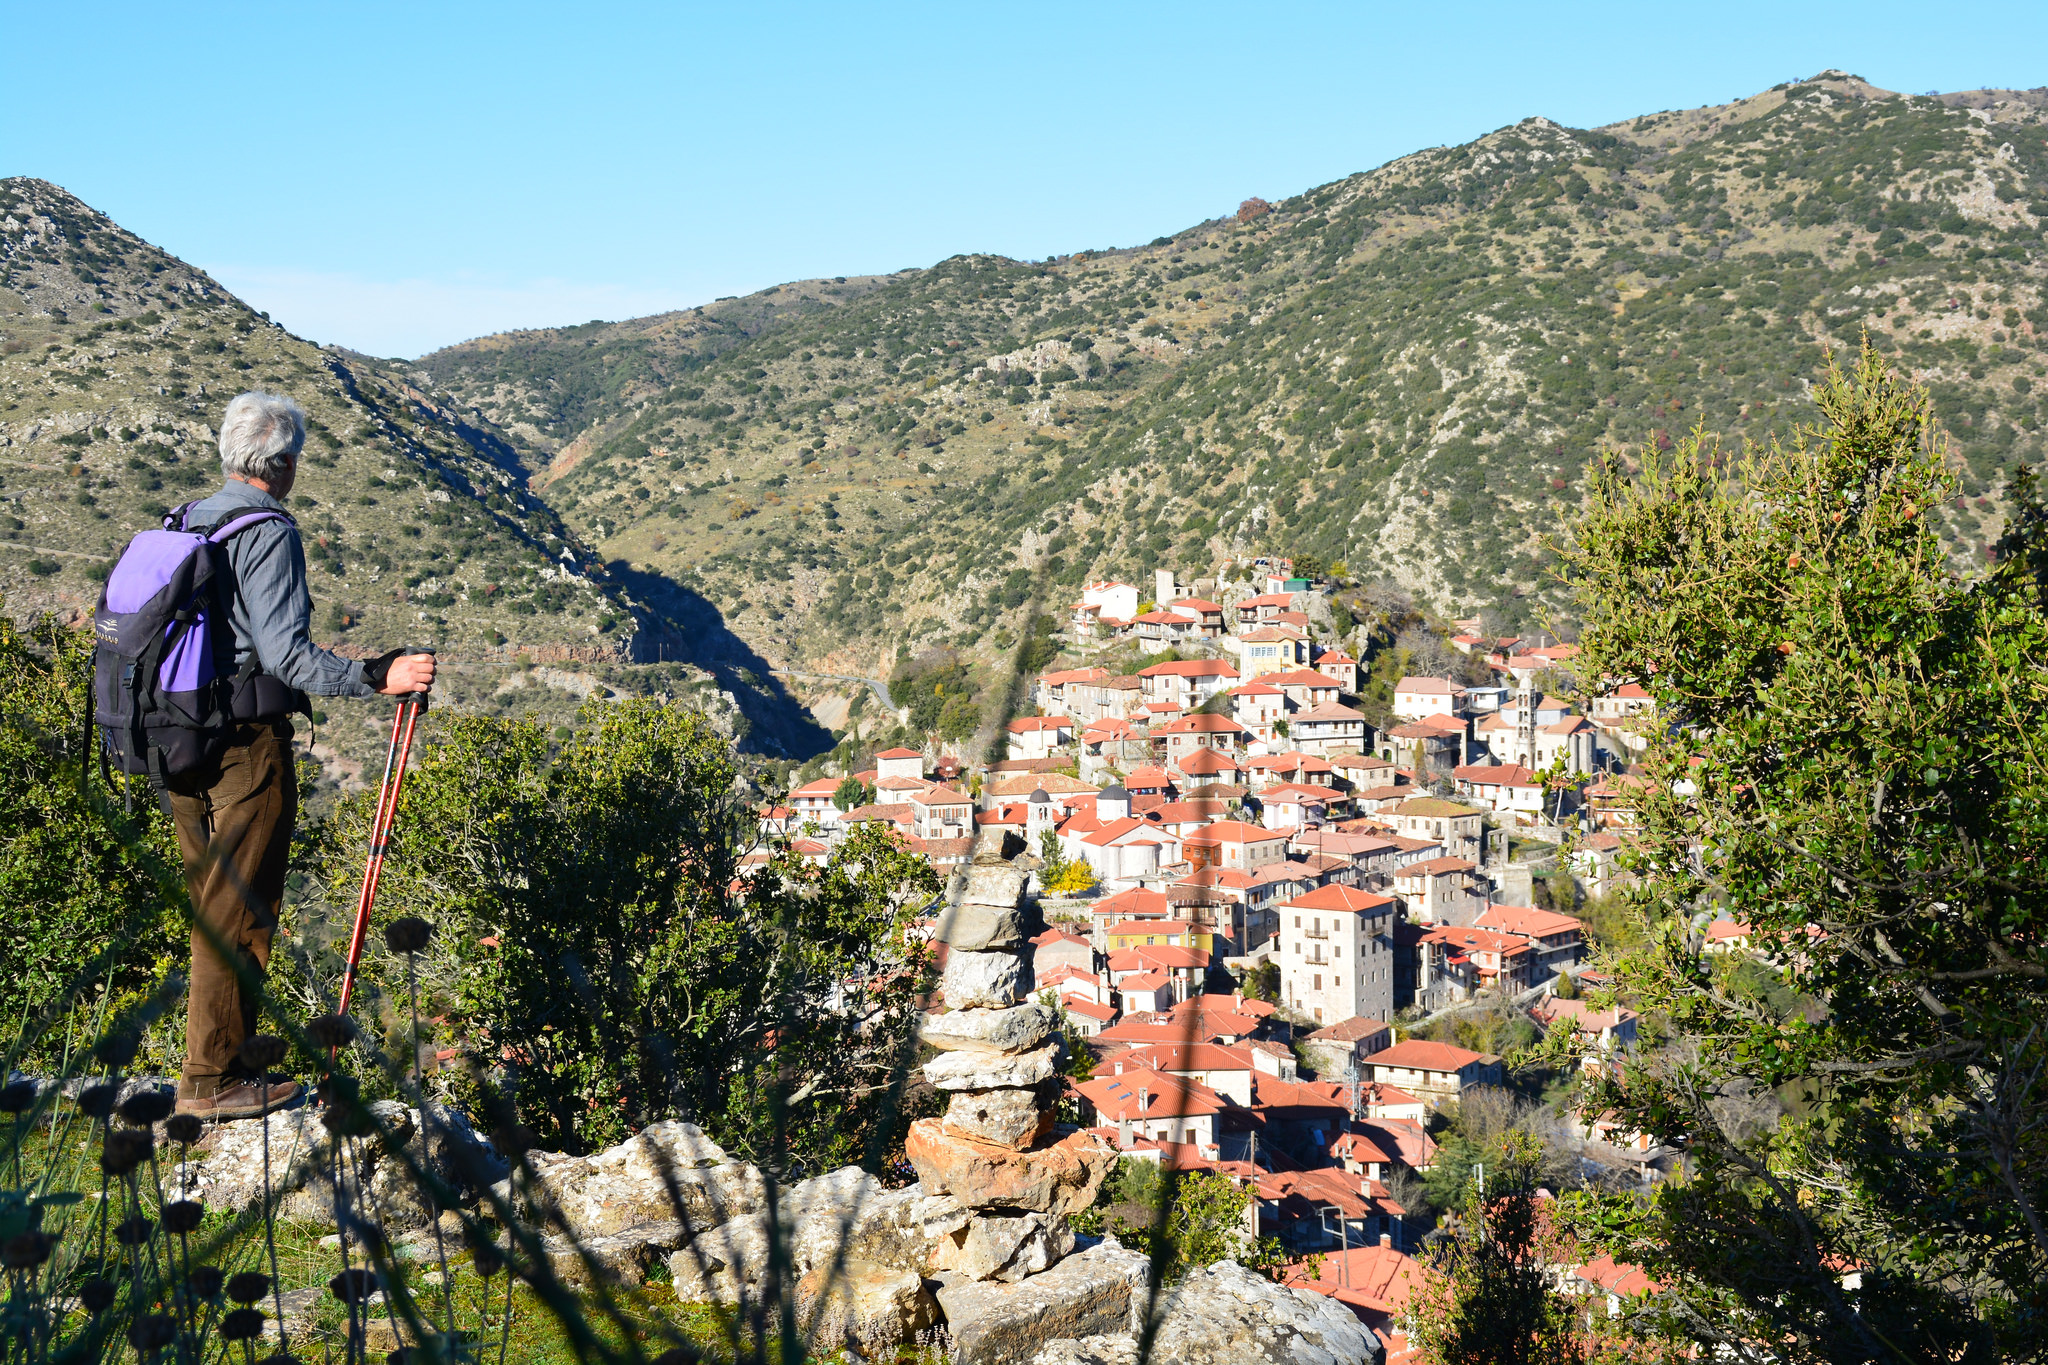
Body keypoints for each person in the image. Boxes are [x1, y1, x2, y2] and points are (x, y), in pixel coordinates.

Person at [170, 391, 435, 1121]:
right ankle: (209, 1083)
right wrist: (376, 674)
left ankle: (222, 1066)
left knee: (211, 906)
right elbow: (285, 656)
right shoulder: (268, 530)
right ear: (281, 463)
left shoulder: (189, 519)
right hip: (242, 748)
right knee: (239, 911)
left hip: (175, 740)